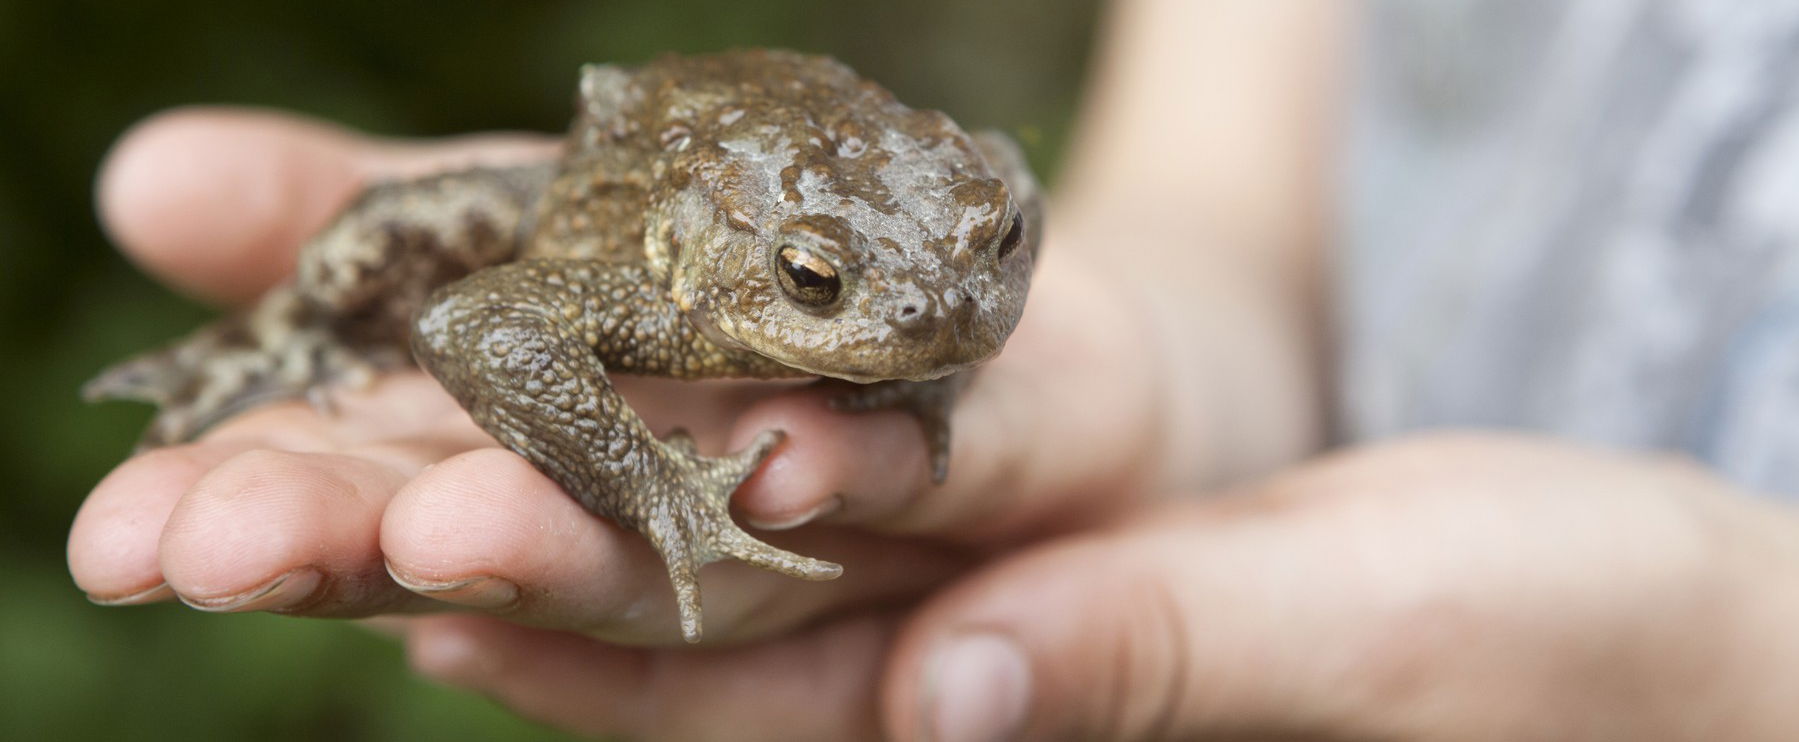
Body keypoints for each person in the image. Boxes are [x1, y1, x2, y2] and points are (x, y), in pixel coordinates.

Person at [67, 1, 1799, 739]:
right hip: (669, 174)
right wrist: (655, 469)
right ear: (760, 280)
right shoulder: (672, 288)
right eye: (831, 297)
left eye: (990, 273)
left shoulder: (939, 244)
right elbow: (480, 321)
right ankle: (276, 341)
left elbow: (993, 205)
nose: (938, 322)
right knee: (390, 241)